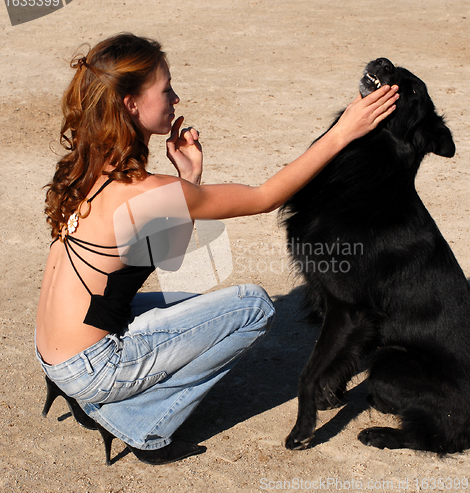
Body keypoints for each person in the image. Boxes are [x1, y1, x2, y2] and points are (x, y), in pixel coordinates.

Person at [35, 33, 399, 466]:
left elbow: (161, 255)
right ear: (131, 104)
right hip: (95, 365)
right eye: (165, 88)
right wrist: (343, 133)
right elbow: (266, 197)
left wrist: (190, 177)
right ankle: (138, 423)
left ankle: (89, 396)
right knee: (252, 308)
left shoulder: (88, 165)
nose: (175, 96)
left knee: (198, 307)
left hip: (56, 352)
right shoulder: (146, 190)